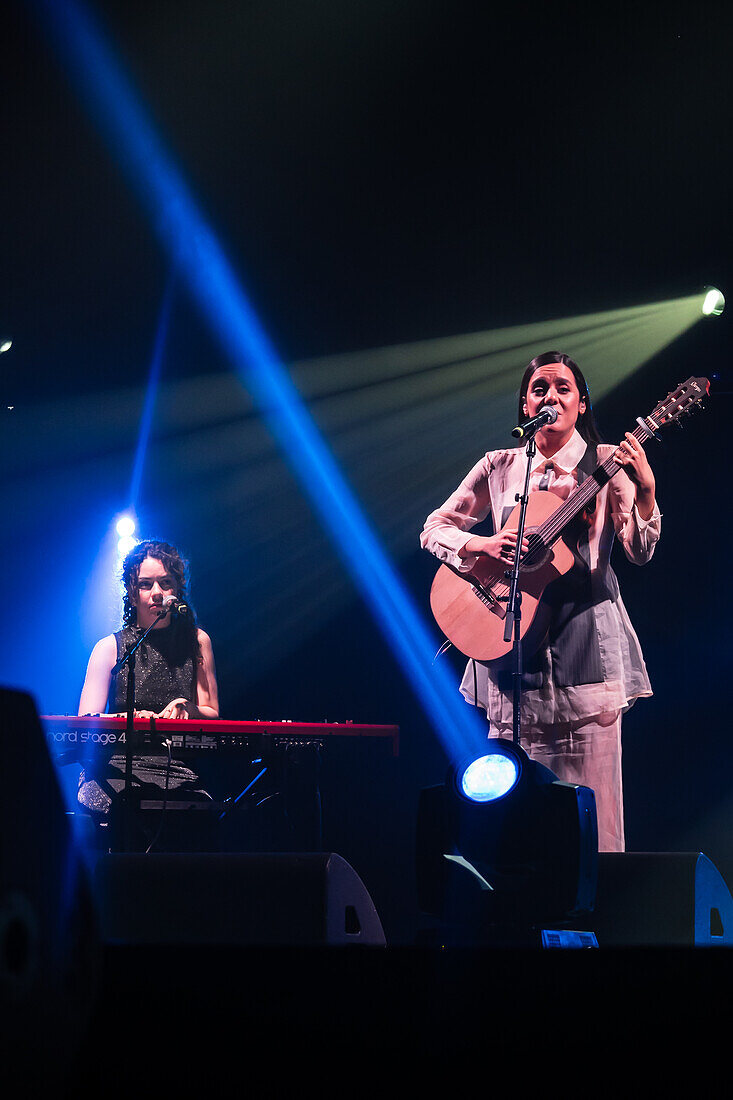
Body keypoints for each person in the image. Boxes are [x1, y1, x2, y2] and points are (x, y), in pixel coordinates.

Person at [420, 351, 660, 852]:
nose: (550, 396)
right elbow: (434, 528)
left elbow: (638, 551)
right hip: (511, 673)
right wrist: (481, 545)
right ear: (525, 404)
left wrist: (646, 493)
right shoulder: (501, 466)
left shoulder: (607, 461)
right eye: (539, 389)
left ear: (580, 402)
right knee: (513, 833)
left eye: (563, 388)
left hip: (585, 664)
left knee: (593, 828)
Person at [77, 539, 219, 846]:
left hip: (176, 771)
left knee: (199, 821)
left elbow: (212, 713)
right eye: (145, 584)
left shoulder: (197, 642)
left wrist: (188, 708)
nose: (157, 592)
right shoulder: (109, 648)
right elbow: (84, 722)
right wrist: (129, 718)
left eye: (165, 583)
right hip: (111, 771)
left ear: (177, 590)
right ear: (131, 591)